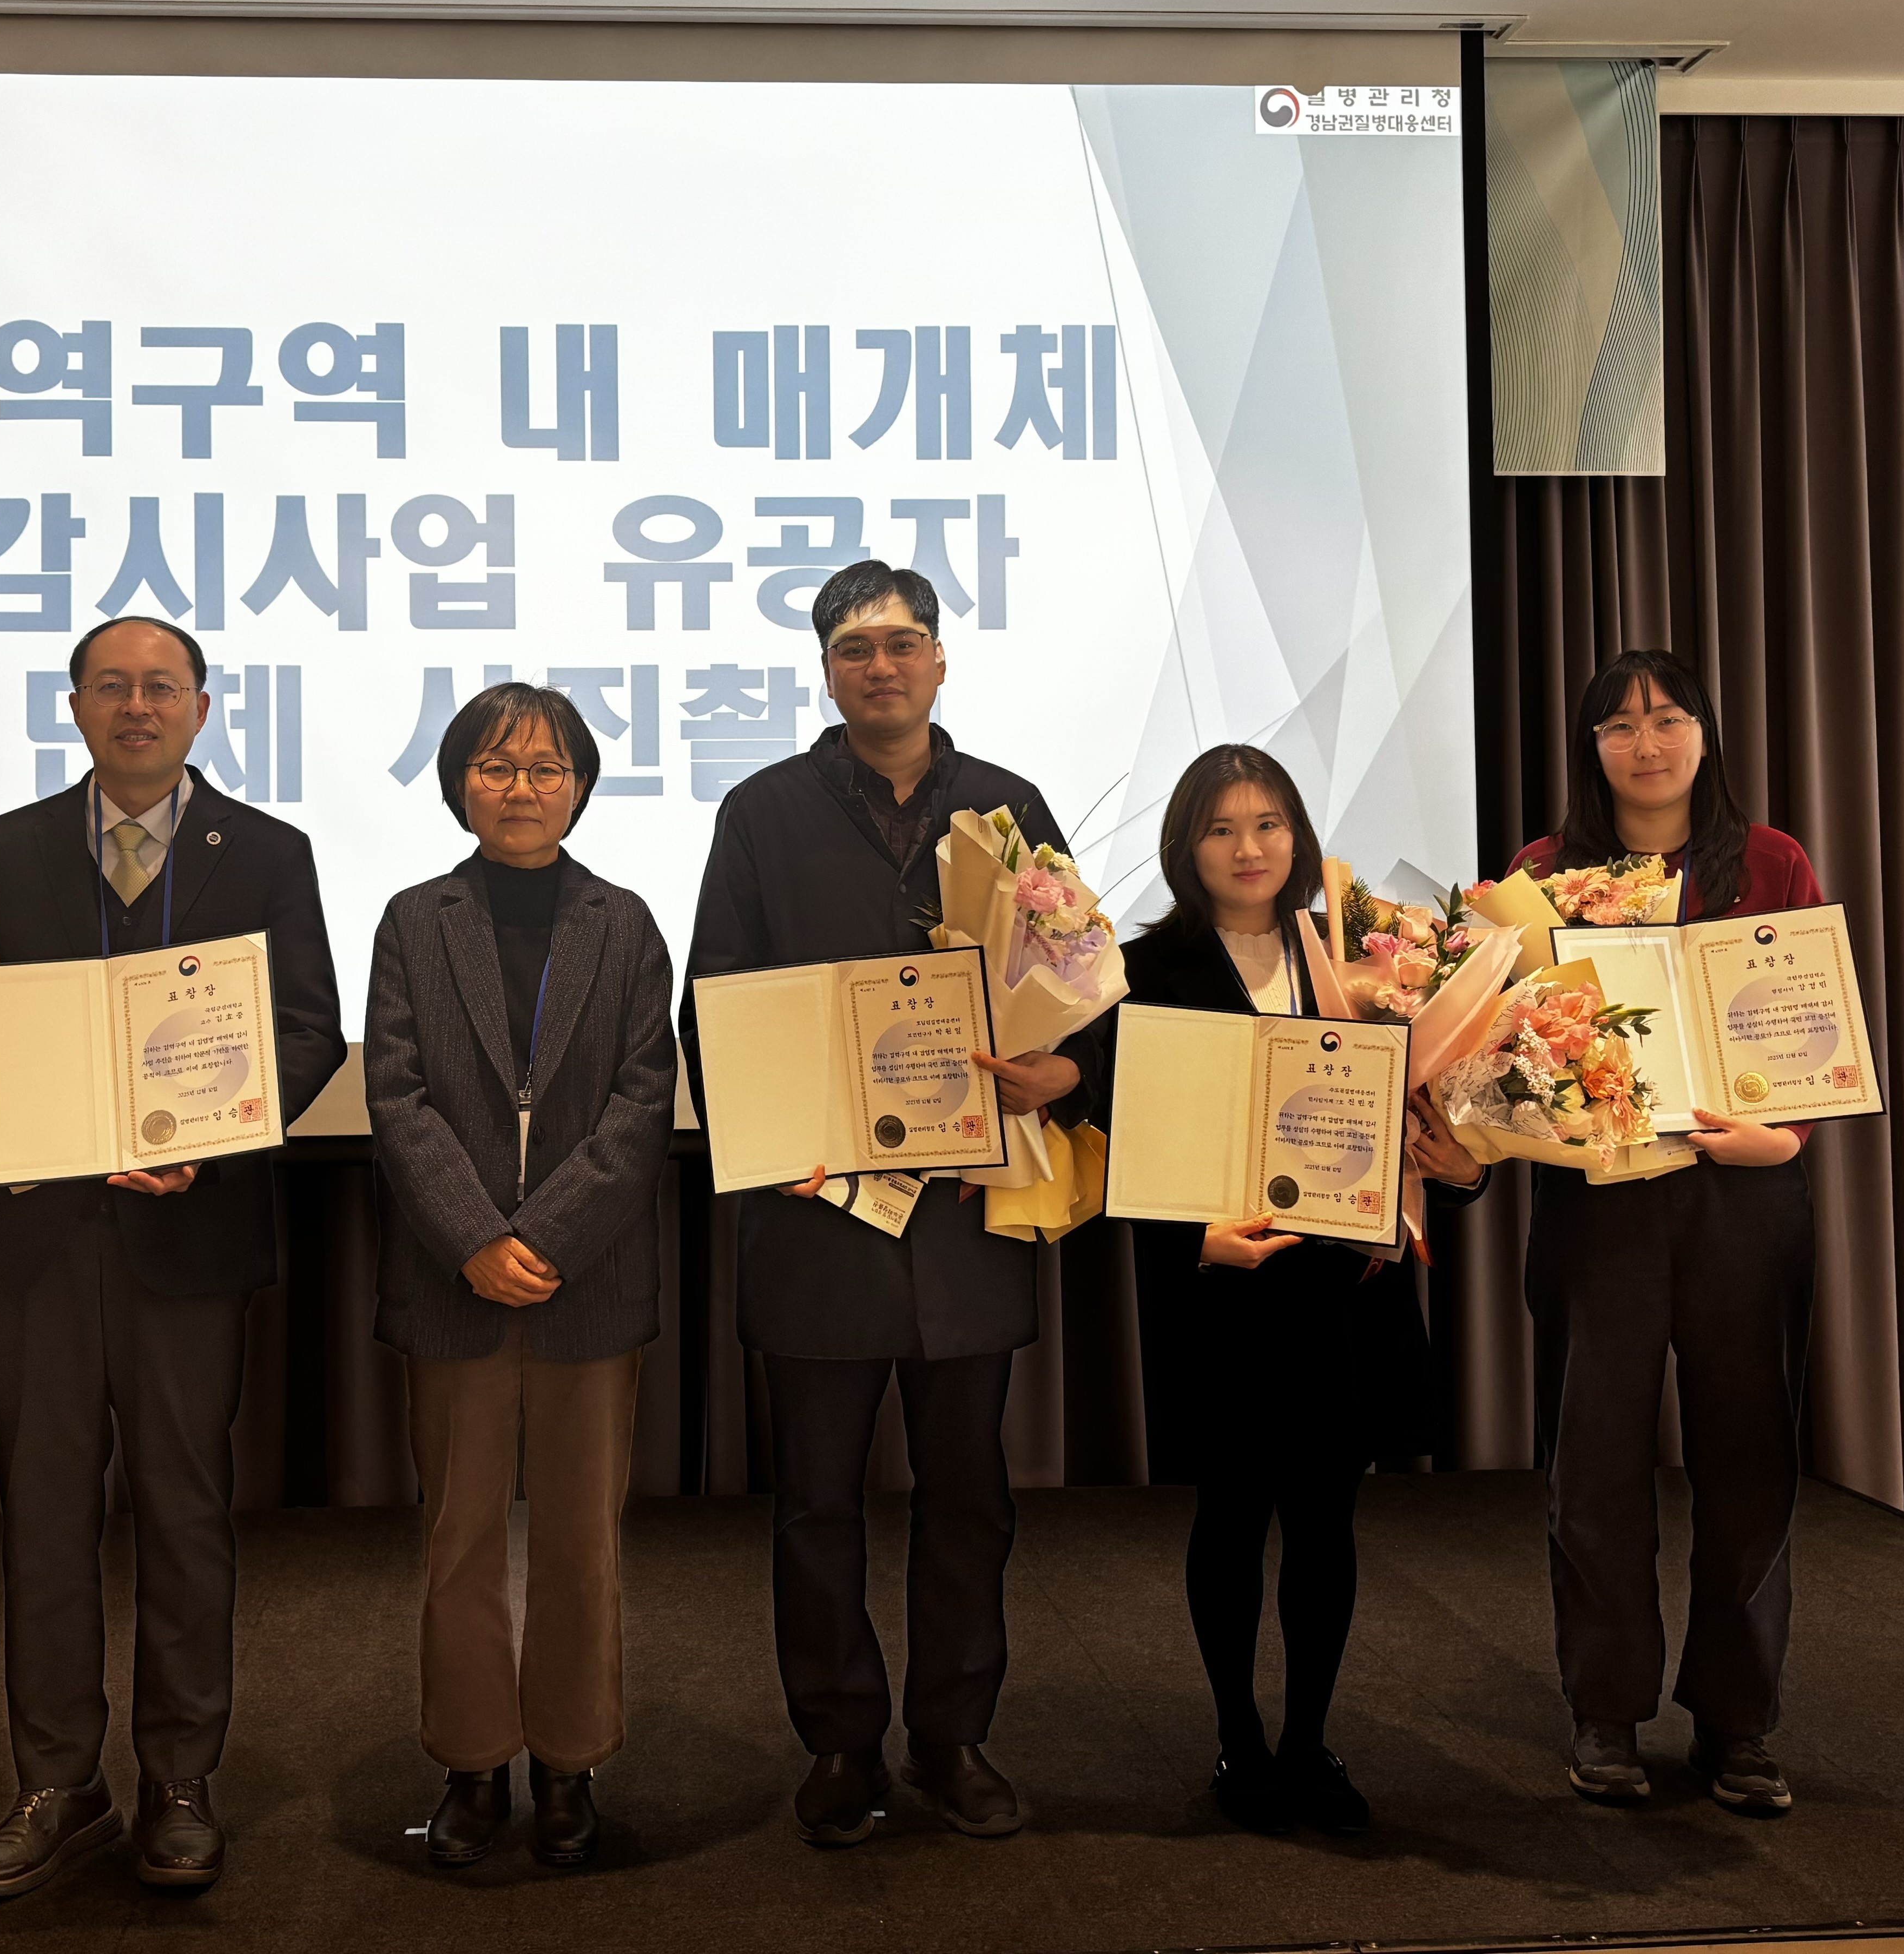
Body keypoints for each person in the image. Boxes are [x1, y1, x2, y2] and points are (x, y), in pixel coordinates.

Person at [0, 616, 344, 1897]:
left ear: (202, 708)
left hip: (188, 1233)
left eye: (161, 687)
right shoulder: (4, 849)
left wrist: (217, 1135)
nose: (136, 706)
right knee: (42, 1514)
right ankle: (56, 1777)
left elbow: (306, 1029)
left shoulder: (267, 853)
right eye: (113, 686)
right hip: (33, 1237)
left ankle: (180, 1778)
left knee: (185, 1513)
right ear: (77, 705)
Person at [678, 560, 1103, 1847]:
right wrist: (773, 1131)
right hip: (815, 1218)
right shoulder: (760, 812)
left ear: (938, 662)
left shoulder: (1007, 810)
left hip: (968, 1221)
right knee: (813, 1501)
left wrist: (1065, 1069)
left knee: (968, 1494)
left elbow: (1084, 988)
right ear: (824, 669)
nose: (881, 664)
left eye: (903, 642)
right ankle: (841, 1742)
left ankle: (953, 1732)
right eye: (854, 645)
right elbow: (716, 1005)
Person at [1101, 745, 1481, 1837]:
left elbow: (1428, 1132)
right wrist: (1192, 1237)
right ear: (1185, 847)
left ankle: (1309, 1739)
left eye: (1267, 823)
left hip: (1339, 1293)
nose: (1247, 848)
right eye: (1220, 829)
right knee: (1228, 1517)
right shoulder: (1143, 972)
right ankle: (1237, 1738)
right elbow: (1123, 1140)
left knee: (1324, 1521)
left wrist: (1460, 1174)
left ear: (1297, 836)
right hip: (1224, 1291)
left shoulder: (1368, 965)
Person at [364, 683, 678, 1869]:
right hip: (453, 1280)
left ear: (583, 786)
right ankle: (469, 1762)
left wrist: (542, 1236)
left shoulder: (626, 921)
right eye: (496, 765)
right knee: (457, 1538)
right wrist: (473, 1239)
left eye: (547, 768)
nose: (521, 788)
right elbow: (394, 1096)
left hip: (583, 1282)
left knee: (580, 1542)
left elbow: (642, 1100)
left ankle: (568, 1759)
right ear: (457, 784)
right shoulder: (412, 919)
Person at [1511, 650, 1825, 1817]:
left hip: (1743, 1198)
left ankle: (1738, 1721)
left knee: (1747, 1455)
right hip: (1601, 1206)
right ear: (1588, 747)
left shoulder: (1768, 861)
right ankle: (1604, 1710)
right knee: (1593, 1461)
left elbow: (1808, 1019)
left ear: (1703, 734)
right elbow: (1510, 1046)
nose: (1644, 743)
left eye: (1666, 718)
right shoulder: (1540, 877)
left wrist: (1784, 1134)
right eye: (1618, 725)